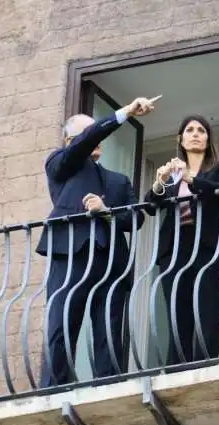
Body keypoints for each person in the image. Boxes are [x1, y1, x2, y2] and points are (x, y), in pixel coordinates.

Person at [36, 96, 157, 387]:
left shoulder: (118, 181)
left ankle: (108, 387)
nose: (96, 138)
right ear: (69, 142)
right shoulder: (60, 164)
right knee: (62, 323)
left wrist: (106, 213)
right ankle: (52, 390)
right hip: (70, 254)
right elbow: (86, 142)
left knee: (110, 328)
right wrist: (125, 113)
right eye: (89, 134)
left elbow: (135, 220)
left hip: (110, 258)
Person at [144, 115, 219, 365]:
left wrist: (191, 178)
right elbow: (151, 206)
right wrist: (160, 181)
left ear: (208, 139)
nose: (195, 134)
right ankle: (176, 372)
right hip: (176, 248)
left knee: (207, 309)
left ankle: (204, 367)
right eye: (189, 130)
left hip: (210, 246)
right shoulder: (172, 175)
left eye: (201, 130)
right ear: (181, 139)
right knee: (177, 313)